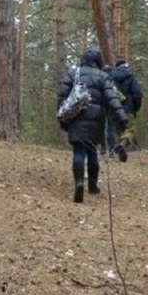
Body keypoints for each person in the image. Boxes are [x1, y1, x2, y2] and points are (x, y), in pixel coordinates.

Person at [57, 45, 128, 203]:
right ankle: (93, 186)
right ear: (98, 60)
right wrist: (122, 117)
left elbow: (62, 97)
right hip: (96, 121)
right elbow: (112, 98)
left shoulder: (73, 74)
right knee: (92, 153)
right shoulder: (103, 77)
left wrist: (62, 118)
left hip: (76, 119)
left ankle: (79, 183)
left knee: (78, 152)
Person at [110, 58, 143, 151]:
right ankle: (123, 144)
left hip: (115, 109)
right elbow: (137, 94)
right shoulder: (130, 77)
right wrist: (135, 107)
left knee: (119, 131)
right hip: (128, 108)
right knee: (130, 130)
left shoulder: (111, 78)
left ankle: (121, 149)